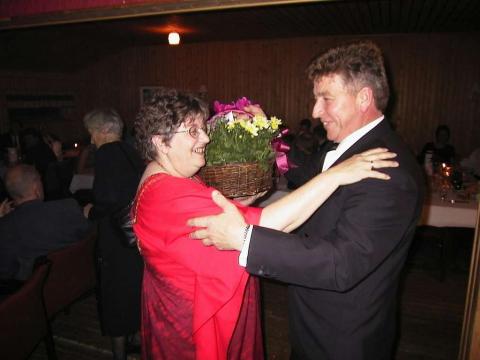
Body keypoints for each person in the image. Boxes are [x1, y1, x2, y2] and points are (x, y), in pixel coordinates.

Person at [189, 41, 424, 360]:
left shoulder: (388, 169)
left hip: (345, 339)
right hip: (314, 324)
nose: (315, 111)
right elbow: (305, 173)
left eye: (326, 99)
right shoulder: (342, 146)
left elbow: (342, 263)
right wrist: (268, 138)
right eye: (316, 99)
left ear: (364, 98)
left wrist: (244, 239)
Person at [132, 89, 398, 359]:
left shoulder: (164, 177)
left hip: (179, 311)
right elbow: (270, 225)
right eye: (193, 131)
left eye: (203, 128)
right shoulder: (168, 194)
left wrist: (240, 206)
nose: (206, 137)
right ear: (161, 142)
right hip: (195, 327)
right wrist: (336, 175)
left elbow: (194, 233)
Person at [82, 108, 144, 360]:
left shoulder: (106, 153)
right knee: (135, 288)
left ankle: (119, 354)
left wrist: (91, 212)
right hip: (136, 233)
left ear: (105, 131)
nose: (90, 140)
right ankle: (140, 340)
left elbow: (108, 198)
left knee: (115, 295)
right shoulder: (132, 151)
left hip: (117, 239)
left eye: (92, 133)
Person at [0, 164, 91, 280]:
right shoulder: (69, 207)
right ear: (36, 187)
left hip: (37, 294)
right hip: (80, 279)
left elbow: (5, 271)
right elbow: (89, 235)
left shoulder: (5, 229)